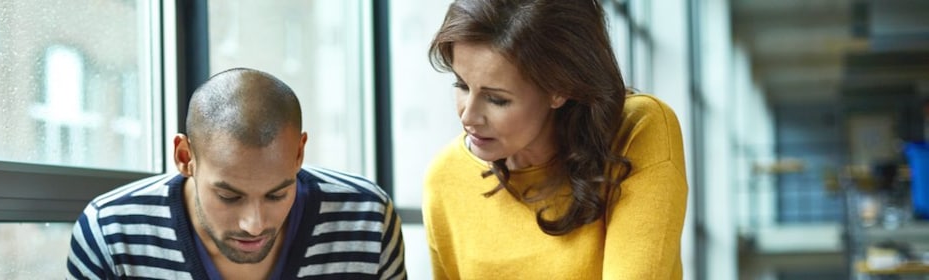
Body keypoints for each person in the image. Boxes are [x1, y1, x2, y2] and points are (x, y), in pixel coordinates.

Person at [422, 0, 687, 279]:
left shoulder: (637, 130)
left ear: (560, 88)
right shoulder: (445, 177)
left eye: (496, 99)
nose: (468, 117)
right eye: (461, 85)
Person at [66, 68, 406, 279]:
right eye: (228, 196)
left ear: (299, 153)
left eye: (277, 194)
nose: (254, 224)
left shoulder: (367, 219)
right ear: (185, 157)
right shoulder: (110, 233)